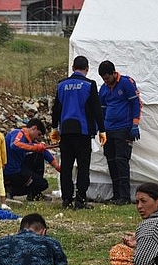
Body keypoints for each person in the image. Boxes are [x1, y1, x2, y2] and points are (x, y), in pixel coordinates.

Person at [51, 55, 106, 210]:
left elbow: (56, 109)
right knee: (83, 166)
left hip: (66, 132)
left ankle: (66, 200)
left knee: (66, 167)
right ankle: (80, 200)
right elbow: (96, 109)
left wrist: (54, 128)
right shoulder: (89, 84)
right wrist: (102, 130)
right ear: (87, 69)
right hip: (83, 132)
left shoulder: (61, 85)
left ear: (73, 68)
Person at [98, 60, 142, 206]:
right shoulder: (104, 89)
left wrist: (135, 124)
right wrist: (101, 129)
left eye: (107, 78)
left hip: (123, 128)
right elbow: (102, 110)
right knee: (111, 161)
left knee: (121, 161)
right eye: (103, 79)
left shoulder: (126, 83)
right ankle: (116, 194)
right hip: (109, 129)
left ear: (113, 73)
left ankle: (125, 195)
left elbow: (136, 104)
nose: (106, 81)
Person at [4, 118, 60, 201]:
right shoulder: (18, 133)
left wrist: (57, 167)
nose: (39, 138)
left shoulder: (30, 140)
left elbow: (44, 152)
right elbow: (15, 145)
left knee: (39, 155)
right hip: (10, 171)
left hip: (18, 168)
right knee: (41, 184)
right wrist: (34, 147)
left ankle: (34, 194)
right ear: (34, 128)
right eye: (39, 134)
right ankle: (12, 190)